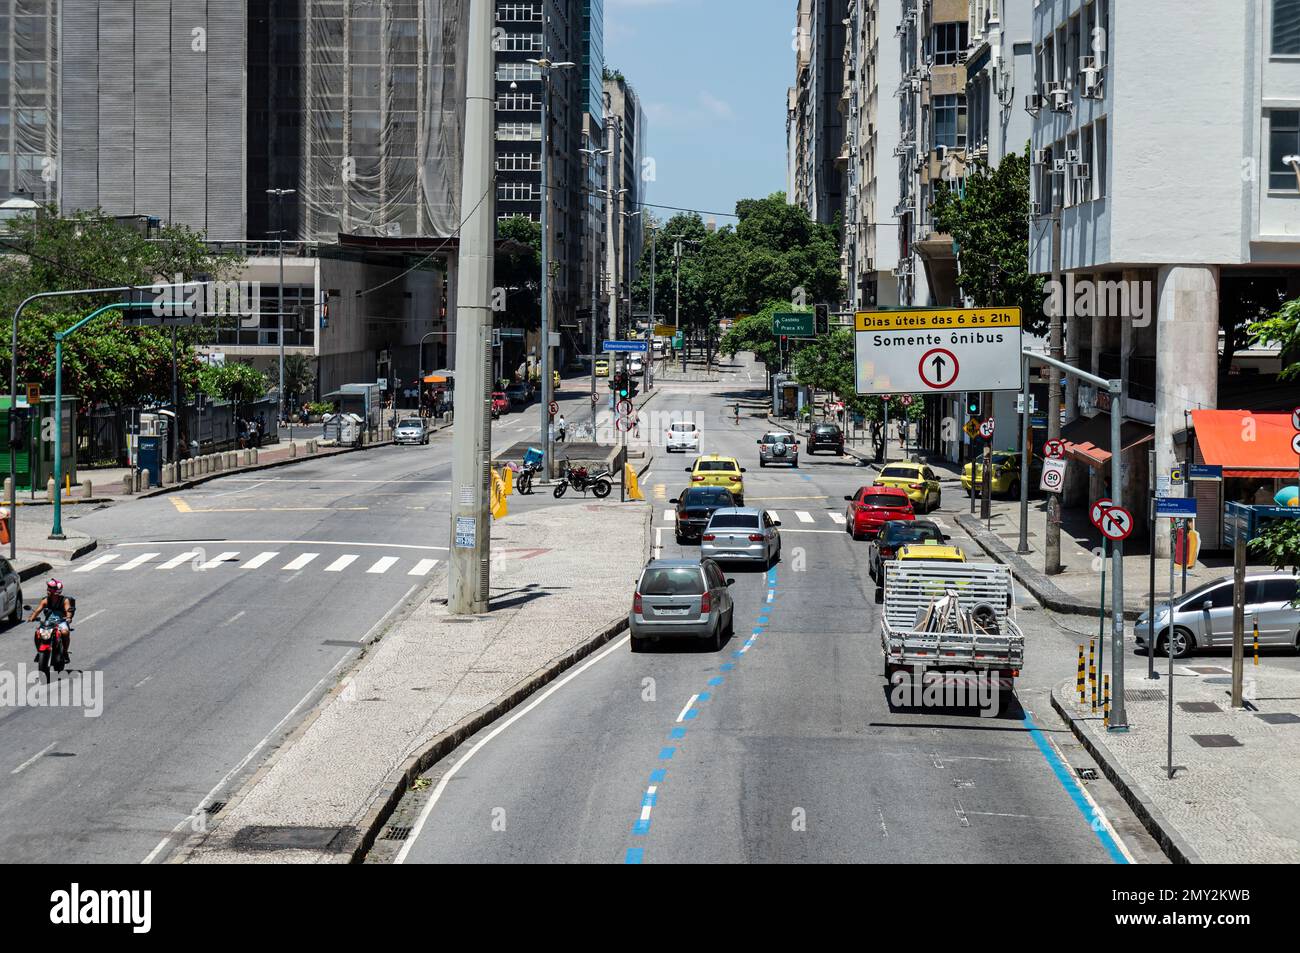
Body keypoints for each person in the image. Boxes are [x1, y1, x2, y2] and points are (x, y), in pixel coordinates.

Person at [29, 578, 74, 664]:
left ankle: (65, 652)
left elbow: (68, 610)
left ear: (57, 591)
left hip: (61, 622)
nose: (48, 589)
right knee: (37, 633)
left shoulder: (65, 600)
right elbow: (38, 610)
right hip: (48, 623)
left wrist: (68, 617)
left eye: (51, 588)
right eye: (48, 587)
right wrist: (32, 617)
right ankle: (39, 652)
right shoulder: (45, 600)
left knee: (65, 632)